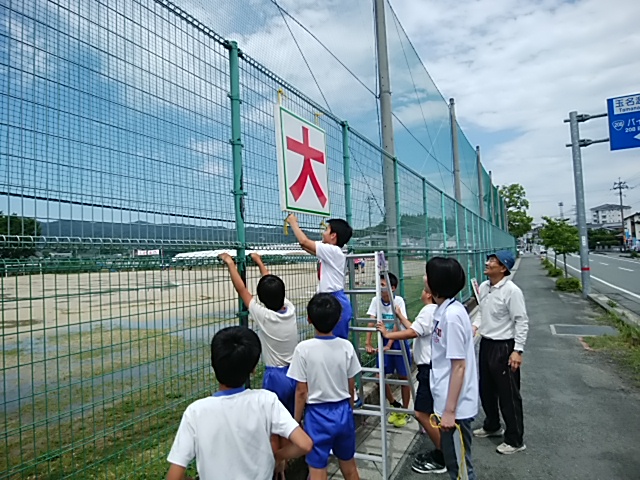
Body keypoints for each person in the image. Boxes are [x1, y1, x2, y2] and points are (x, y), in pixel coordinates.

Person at [166, 326, 312, 480]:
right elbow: (305, 444)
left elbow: (174, 476)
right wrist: (276, 457)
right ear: (253, 369)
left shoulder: (195, 412)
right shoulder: (266, 401)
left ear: (214, 364)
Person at [218, 252, 299, 477]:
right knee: (285, 424)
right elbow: (271, 285)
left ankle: (274, 468)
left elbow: (242, 290)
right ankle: (284, 465)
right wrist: (260, 263)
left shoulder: (264, 316)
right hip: (294, 374)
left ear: (262, 299)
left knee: (272, 427)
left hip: (275, 377)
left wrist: (230, 263)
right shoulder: (290, 309)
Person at [287, 293, 361, 480]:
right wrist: (349, 408)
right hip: (343, 411)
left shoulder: (303, 349)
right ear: (338, 319)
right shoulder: (346, 346)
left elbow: (301, 391)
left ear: (309, 319)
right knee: (350, 467)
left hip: (317, 415)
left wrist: (296, 420)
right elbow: (351, 383)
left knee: (318, 470)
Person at [377, 277, 446, 474]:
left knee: (421, 413)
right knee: (432, 411)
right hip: (434, 367)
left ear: (429, 295)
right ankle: (444, 449)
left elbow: (412, 332)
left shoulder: (428, 310)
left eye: (424, 289)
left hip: (428, 369)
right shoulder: (436, 310)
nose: (422, 292)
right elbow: (415, 327)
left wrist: (388, 335)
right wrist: (400, 316)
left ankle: (444, 455)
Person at [472, 250, 529, 455]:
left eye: (492, 261)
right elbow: (482, 311)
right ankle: (492, 425)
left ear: (503, 268)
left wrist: (517, 350)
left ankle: (515, 439)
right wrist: (475, 326)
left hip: (504, 347)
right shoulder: (484, 287)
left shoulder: (512, 291)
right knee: (486, 389)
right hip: (486, 344)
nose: (487, 263)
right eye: (489, 260)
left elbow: (521, 321)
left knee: (508, 394)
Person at [426, 257, 478, 480]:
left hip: (455, 407)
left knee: (460, 468)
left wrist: (449, 411)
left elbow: (459, 366)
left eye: (428, 275)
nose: (424, 278)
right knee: (454, 463)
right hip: (448, 401)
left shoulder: (452, 316)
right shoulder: (445, 311)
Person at [285, 214, 353, 340]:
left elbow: (304, 242)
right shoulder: (331, 251)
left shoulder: (333, 251)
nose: (323, 232)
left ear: (333, 235)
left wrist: (293, 223)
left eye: (326, 229)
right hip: (329, 300)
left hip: (335, 302)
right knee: (328, 342)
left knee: (335, 343)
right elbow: (305, 245)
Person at [365, 272, 412, 428]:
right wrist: (368, 342)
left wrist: (389, 343)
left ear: (393, 288)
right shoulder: (375, 300)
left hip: (398, 340)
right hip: (385, 339)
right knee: (380, 376)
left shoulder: (398, 301)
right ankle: (394, 404)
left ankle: (405, 411)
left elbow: (398, 323)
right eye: (378, 285)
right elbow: (371, 321)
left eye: (383, 285)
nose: (379, 288)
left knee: (404, 376)